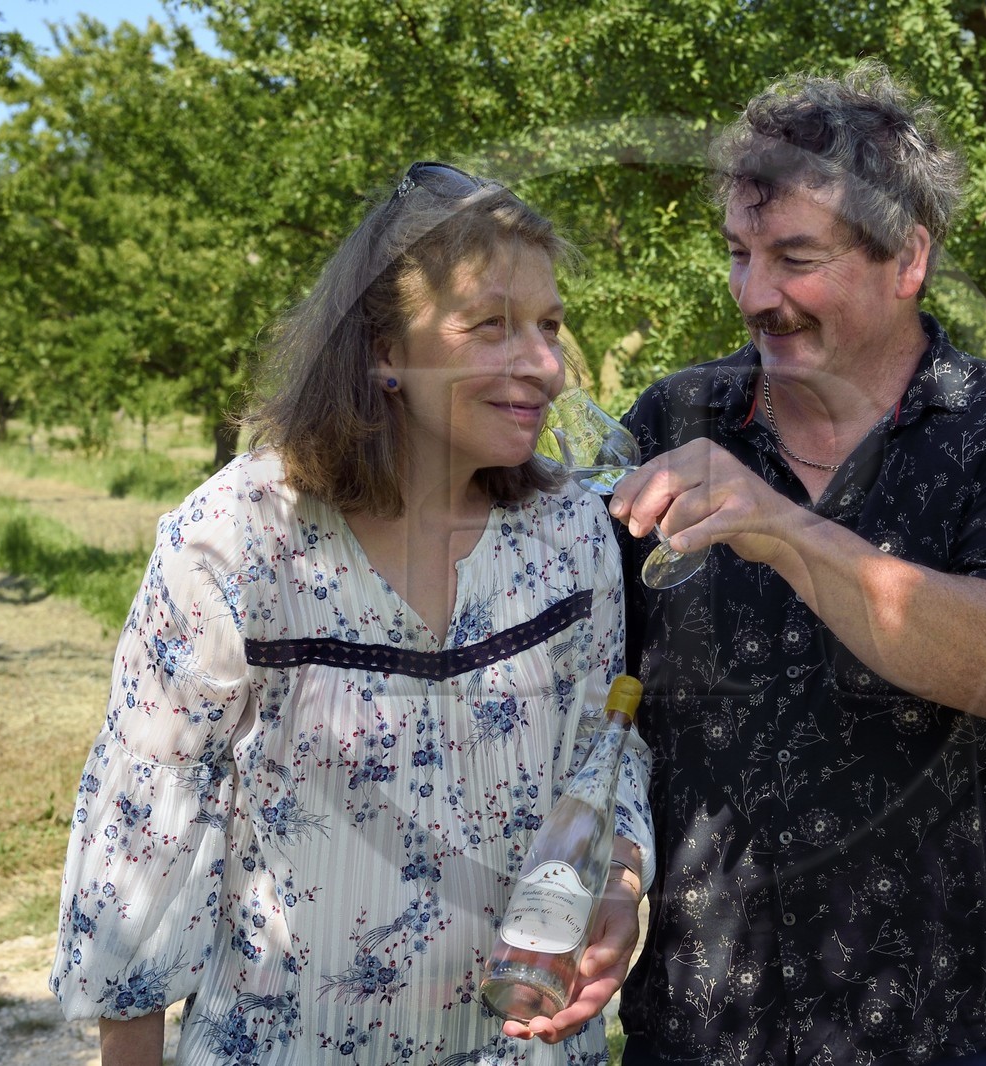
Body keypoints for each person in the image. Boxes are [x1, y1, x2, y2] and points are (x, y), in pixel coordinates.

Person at [49, 162, 654, 1066]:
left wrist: (617, 880)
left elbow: (601, 754)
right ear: (382, 350)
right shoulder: (240, 540)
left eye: (550, 325)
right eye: (490, 325)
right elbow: (147, 826)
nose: (544, 364)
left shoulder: (570, 533)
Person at [605, 62, 986, 1065]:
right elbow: (592, 701)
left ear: (907, 257)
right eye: (738, 254)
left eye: (795, 257)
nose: (755, 293)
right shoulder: (672, 420)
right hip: (699, 1027)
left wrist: (780, 526)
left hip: (949, 1025)